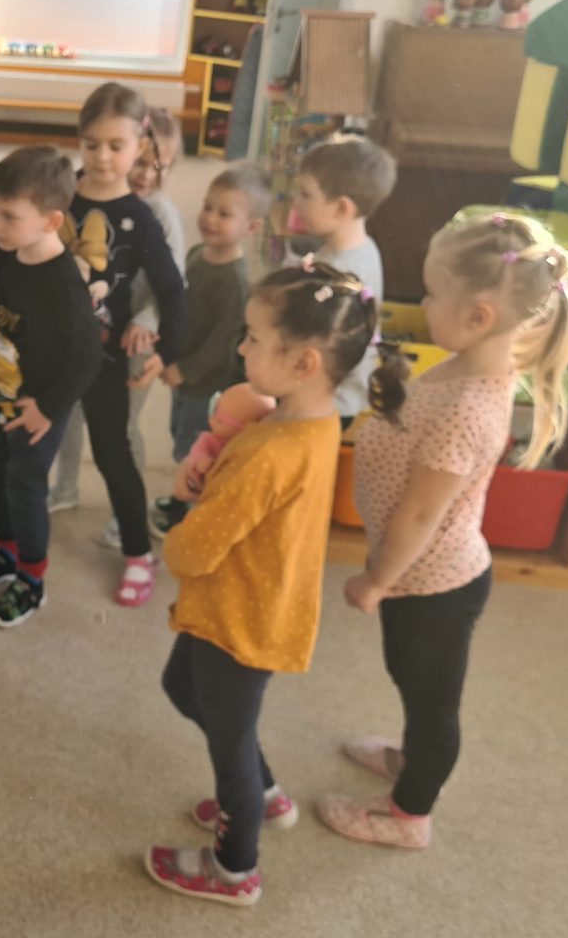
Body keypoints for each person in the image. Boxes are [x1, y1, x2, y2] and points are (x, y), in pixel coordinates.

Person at [318, 212, 568, 849]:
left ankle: (410, 816)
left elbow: (420, 515)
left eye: (433, 294)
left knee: (432, 703)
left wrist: (376, 580)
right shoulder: (463, 366)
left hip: (432, 583)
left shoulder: (469, 407)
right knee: (411, 681)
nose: (424, 303)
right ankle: (411, 758)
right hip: (416, 576)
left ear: (479, 315)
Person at [144, 260, 377, 908]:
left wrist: (186, 510)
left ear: (303, 362)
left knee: (231, 748)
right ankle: (264, 791)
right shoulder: (313, 421)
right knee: (183, 688)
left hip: (240, 622)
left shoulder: (270, 452)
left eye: (252, 337)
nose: (241, 348)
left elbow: (191, 553)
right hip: (251, 605)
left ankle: (234, 867)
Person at [0, 83, 187, 606]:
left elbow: (172, 287)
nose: (102, 157)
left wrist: (168, 351)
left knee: (113, 453)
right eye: (92, 144)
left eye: (116, 145)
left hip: (103, 357)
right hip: (43, 356)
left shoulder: (140, 217)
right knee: (22, 447)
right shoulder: (60, 190)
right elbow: (17, 215)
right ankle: (14, 532)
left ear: (140, 145)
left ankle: (138, 552)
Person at [0, 146, 101, 627]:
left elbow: (87, 356)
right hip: (0, 391)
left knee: (25, 482)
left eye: (8, 216)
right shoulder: (11, 247)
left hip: (38, 407)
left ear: (51, 221)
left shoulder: (63, 286)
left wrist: (48, 410)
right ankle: (6, 551)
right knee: (3, 471)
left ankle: (32, 578)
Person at [46, 107, 183, 547]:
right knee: (68, 414)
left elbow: (173, 283)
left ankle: (127, 515)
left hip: (136, 339)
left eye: (157, 166)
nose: (145, 174)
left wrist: (147, 323)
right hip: (85, 331)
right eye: (140, 163)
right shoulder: (82, 194)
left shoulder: (158, 213)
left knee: (121, 429)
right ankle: (64, 488)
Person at [150, 161, 271, 534]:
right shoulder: (196, 254)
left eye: (224, 214)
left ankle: (193, 512)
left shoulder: (234, 281)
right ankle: (183, 494)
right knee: (178, 433)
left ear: (251, 228)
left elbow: (223, 340)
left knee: (196, 445)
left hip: (205, 380)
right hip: (183, 369)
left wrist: (185, 369)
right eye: (208, 207)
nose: (210, 218)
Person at [289, 135, 397, 425]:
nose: (296, 204)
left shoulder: (341, 272)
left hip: (329, 401)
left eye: (306, 195)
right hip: (338, 395)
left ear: (341, 208)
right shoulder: (362, 247)